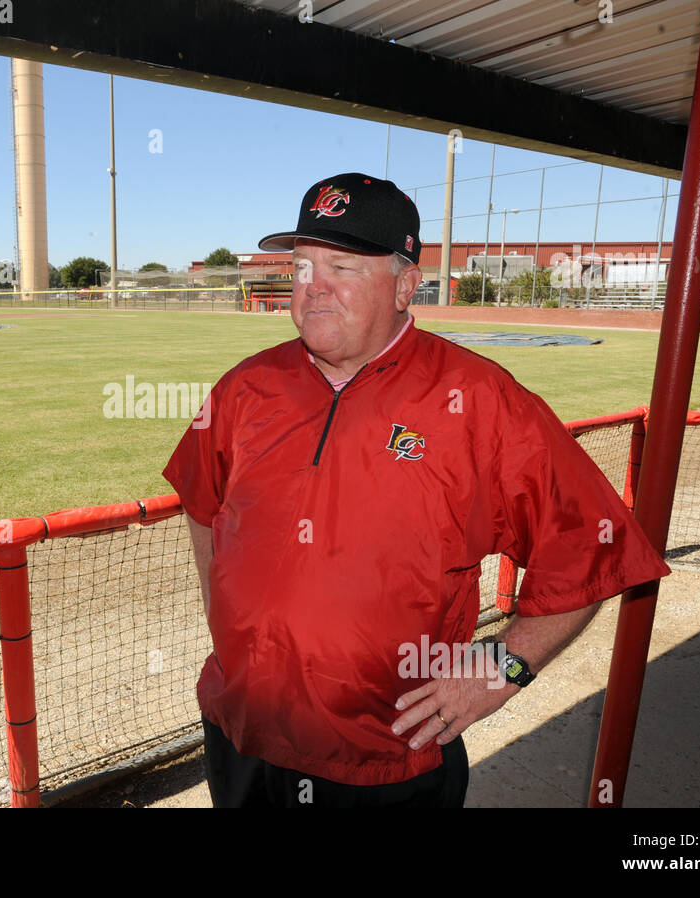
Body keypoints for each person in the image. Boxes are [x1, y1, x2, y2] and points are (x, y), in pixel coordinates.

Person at [161, 173, 671, 808]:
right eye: (301, 266)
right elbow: (202, 500)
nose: (312, 287)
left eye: (341, 266)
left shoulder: (480, 400)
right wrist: (222, 613)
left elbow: (596, 546)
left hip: (384, 764)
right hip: (240, 737)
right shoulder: (245, 388)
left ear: (405, 285)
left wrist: (502, 667)